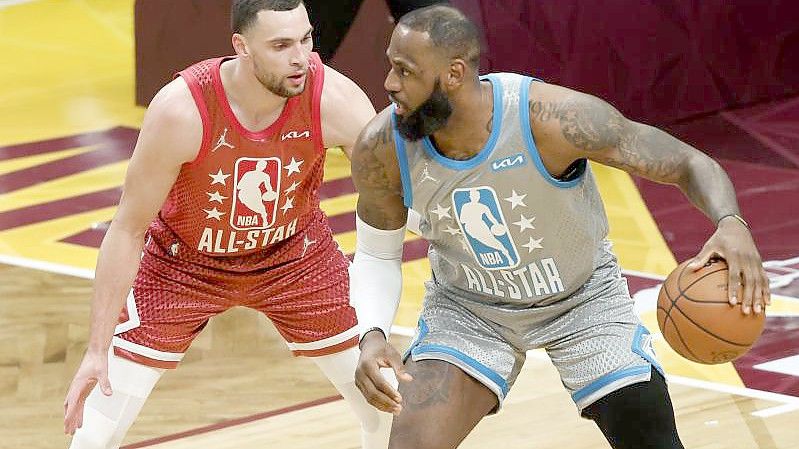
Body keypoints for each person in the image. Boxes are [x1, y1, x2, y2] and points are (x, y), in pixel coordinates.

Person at [349, 5, 770, 449]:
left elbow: (686, 162)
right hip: (469, 311)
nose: (389, 83)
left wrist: (731, 223)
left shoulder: (550, 118)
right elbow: (377, 252)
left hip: (583, 301)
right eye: (390, 65)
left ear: (454, 73)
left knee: (652, 438)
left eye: (404, 70)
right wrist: (372, 335)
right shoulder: (380, 148)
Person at [63, 1, 392, 448]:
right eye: (280, 45)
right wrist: (96, 349)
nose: (301, 58)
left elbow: (393, 198)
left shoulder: (336, 99)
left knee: (384, 399)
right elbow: (127, 229)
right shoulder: (182, 109)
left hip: (295, 257)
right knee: (93, 433)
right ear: (242, 46)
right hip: (184, 264)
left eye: (306, 39)